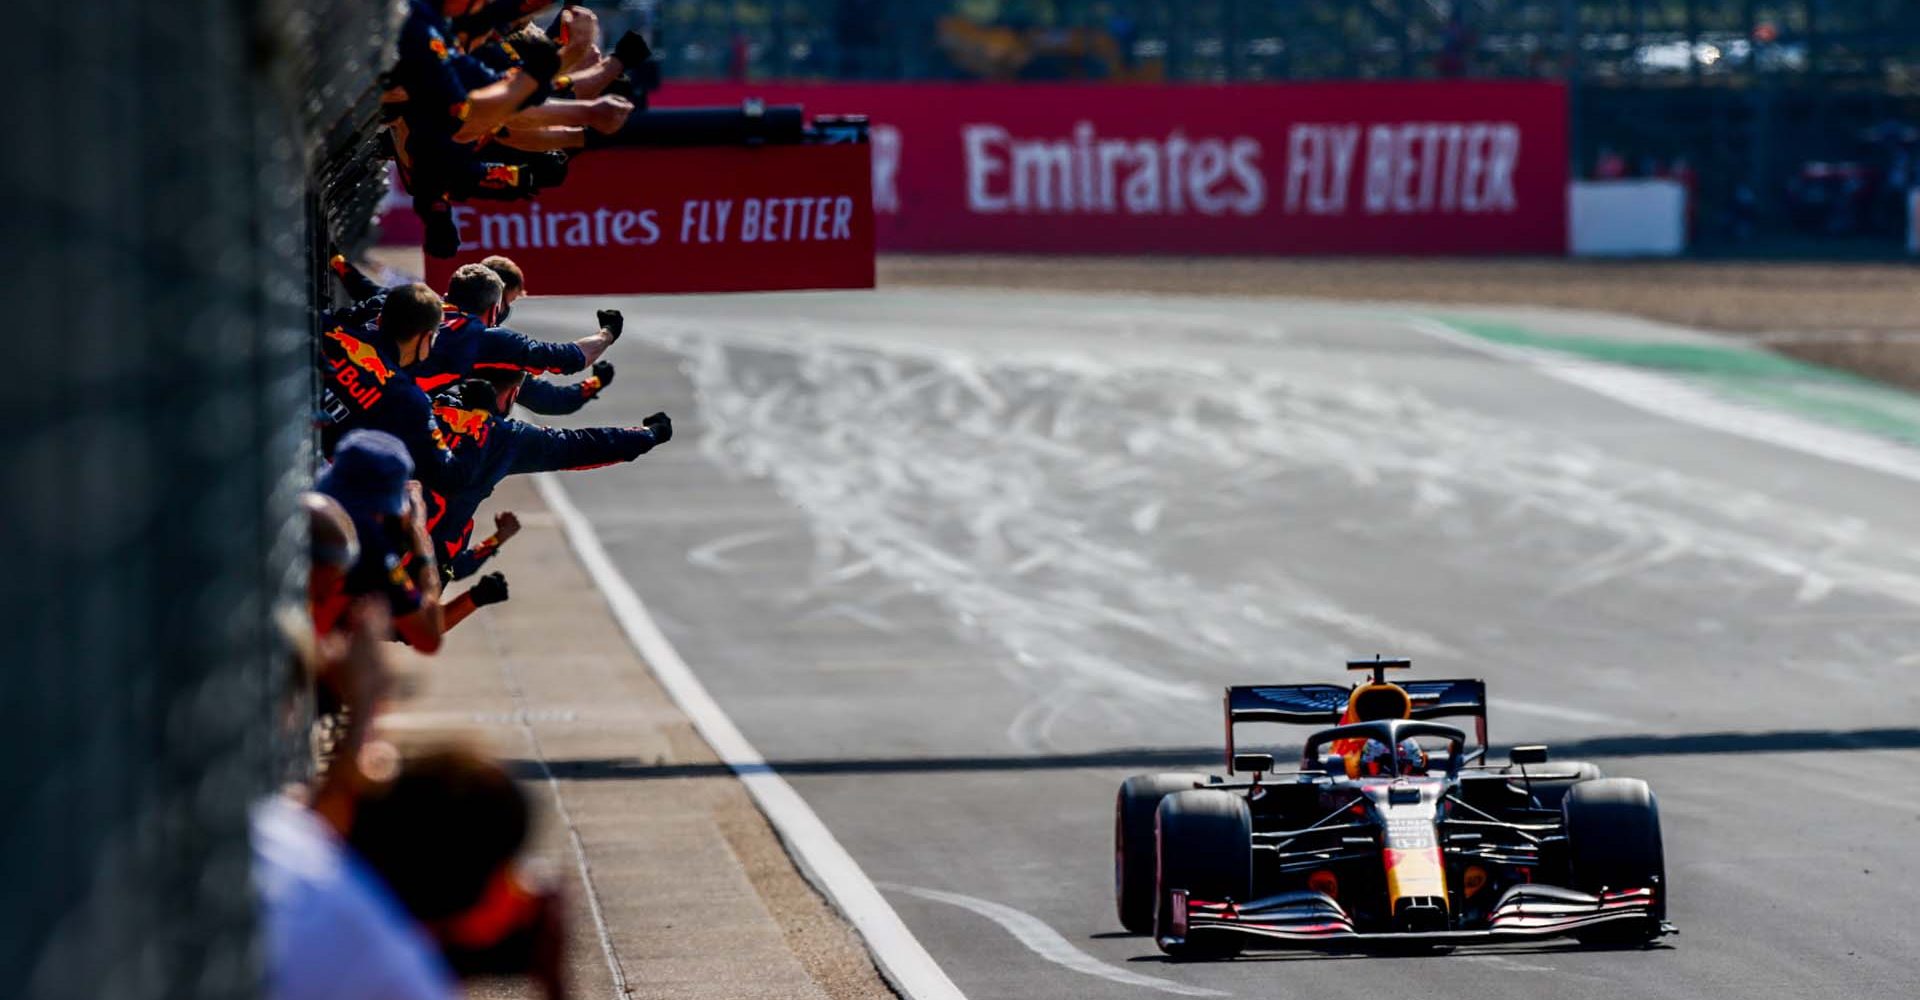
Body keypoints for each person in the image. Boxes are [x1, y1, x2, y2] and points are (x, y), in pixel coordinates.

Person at [425, 372, 669, 574]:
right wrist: (650, 434)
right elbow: (583, 445)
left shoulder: (420, 402)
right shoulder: (504, 438)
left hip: (392, 544)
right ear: (512, 394)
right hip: (420, 573)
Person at [318, 284, 461, 488]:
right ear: (427, 338)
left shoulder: (326, 327)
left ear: (380, 320)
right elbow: (445, 473)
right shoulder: (409, 399)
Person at [411, 263, 619, 394]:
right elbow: (570, 358)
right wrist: (607, 333)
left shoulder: (413, 308)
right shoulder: (486, 339)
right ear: (494, 310)